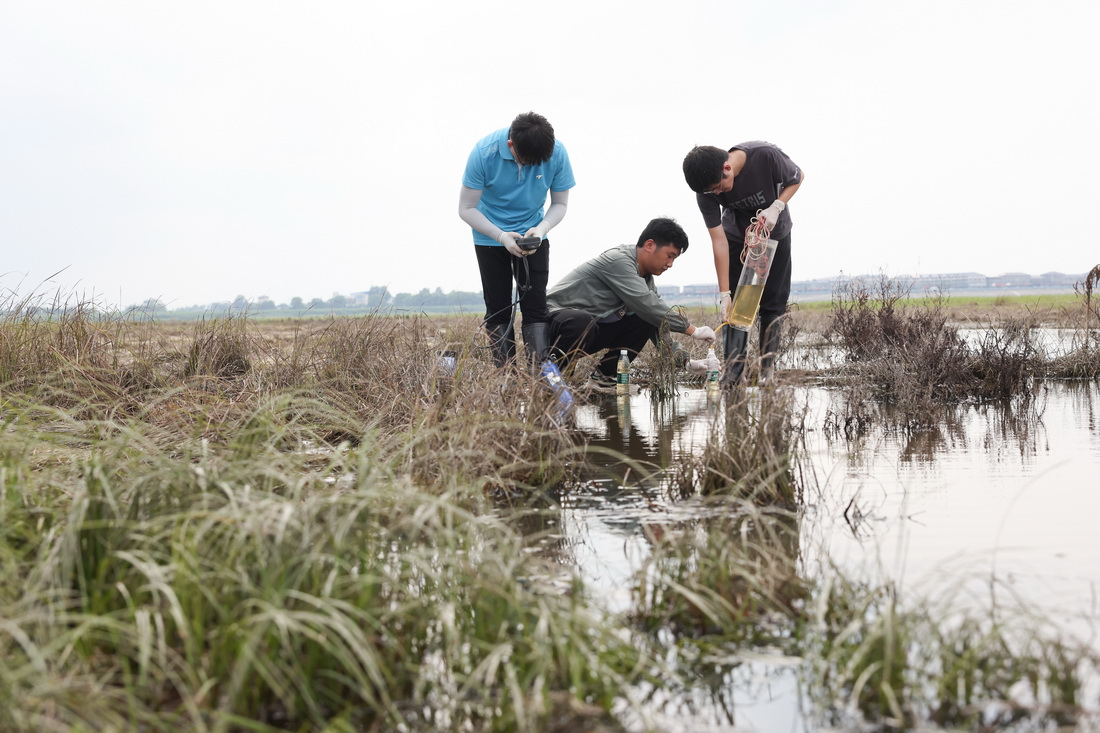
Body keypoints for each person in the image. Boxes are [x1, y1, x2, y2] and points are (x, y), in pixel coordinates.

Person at [459, 112, 575, 367]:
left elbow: (559, 203)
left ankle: (538, 375)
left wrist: (541, 229)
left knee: (535, 306)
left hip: (534, 236)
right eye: (527, 160)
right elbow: (466, 208)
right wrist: (501, 236)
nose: (533, 166)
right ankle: (506, 377)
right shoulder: (483, 152)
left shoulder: (557, 153)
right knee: (498, 307)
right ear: (511, 144)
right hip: (489, 236)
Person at [682, 142, 804, 385]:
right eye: (712, 192)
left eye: (719, 188)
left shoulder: (765, 156)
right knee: (738, 308)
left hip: (775, 234)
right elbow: (718, 241)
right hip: (738, 238)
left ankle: (767, 371)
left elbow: (797, 176)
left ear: (727, 168)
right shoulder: (705, 191)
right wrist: (725, 293)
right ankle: (734, 374)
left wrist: (777, 206)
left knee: (773, 305)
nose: (718, 194)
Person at [546, 217, 716, 387]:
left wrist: (685, 362)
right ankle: (552, 379)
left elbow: (658, 322)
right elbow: (648, 304)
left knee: (646, 318)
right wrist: (693, 330)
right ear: (649, 245)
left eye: (674, 259)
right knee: (580, 322)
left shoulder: (646, 281)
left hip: (588, 330)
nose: (670, 264)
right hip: (553, 324)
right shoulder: (618, 261)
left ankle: (605, 379)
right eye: (669, 256)